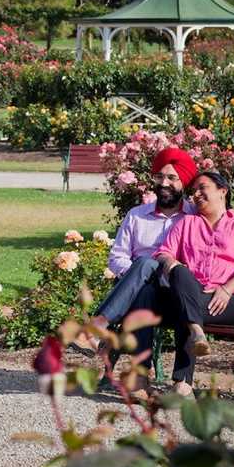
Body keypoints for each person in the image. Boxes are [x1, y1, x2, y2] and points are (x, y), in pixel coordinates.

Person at [69, 147, 197, 357]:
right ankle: (140, 378)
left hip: (177, 296)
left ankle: (97, 328)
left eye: (172, 178)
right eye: (159, 176)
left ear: (184, 182)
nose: (164, 183)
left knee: (147, 263)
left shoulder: (194, 217)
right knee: (144, 280)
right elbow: (117, 257)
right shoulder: (136, 215)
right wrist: (138, 277)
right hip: (140, 294)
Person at [153, 171, 234, 396]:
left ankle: (183, 384)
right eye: (194, 190)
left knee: (184, 305)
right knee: (179, 273)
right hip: (195, 293)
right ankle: (196, 333)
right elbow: (164, 253)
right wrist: (170, 263)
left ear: (223, 191)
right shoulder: (187, 223)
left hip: (231, 298)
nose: (197, 194)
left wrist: (226, 289)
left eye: (203, 187)